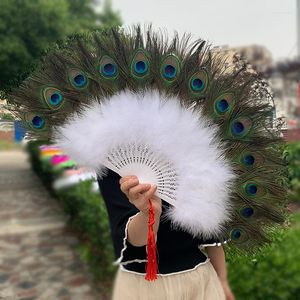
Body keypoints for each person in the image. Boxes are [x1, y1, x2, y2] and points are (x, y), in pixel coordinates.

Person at [97, 169, 235, 300]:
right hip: (142, 285)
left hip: (200, 279)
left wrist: (222, 278)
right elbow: (128, 233)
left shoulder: (191, 155)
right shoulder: (110, 162)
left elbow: (210, 225)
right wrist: (149, 215)